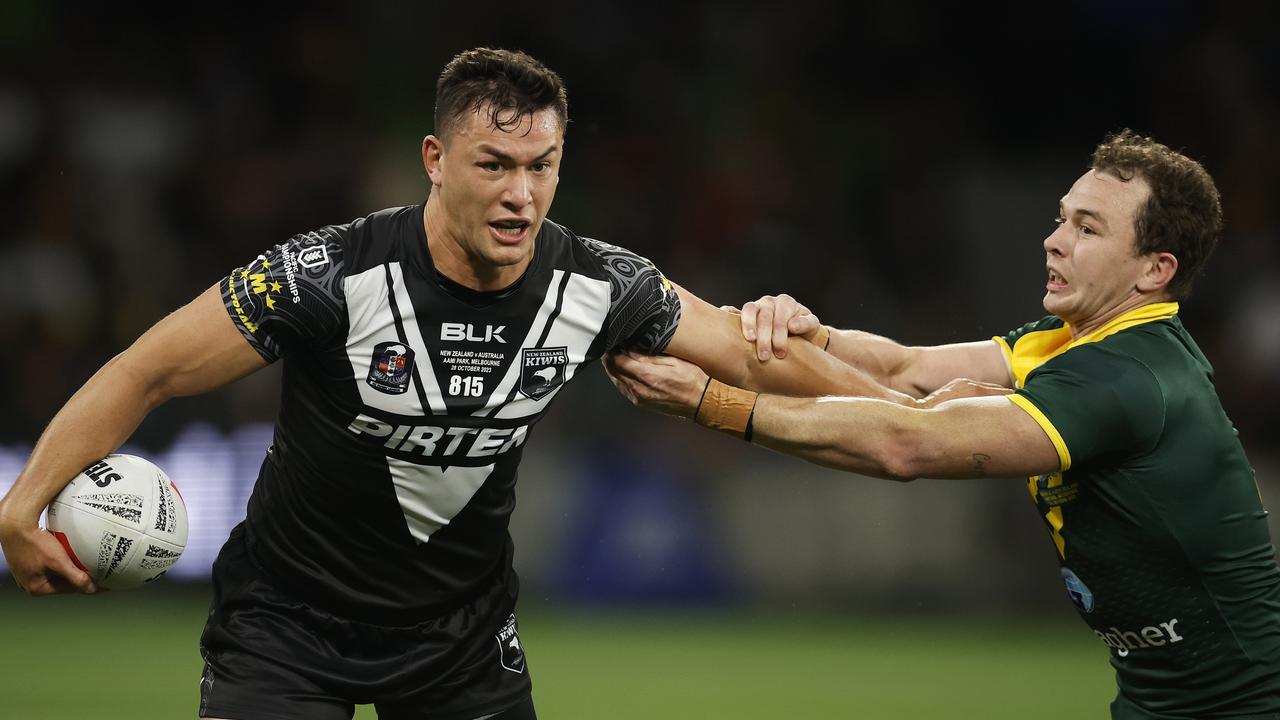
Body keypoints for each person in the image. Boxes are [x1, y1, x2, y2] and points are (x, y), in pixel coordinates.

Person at [0, 48, 901, 720]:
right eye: (494, 165)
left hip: (458, 644)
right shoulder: (324, 276)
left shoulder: (599, 283)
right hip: (282, 627)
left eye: (541, 166)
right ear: (435, 159)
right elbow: (144, 371)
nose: (522, 195)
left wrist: (913, 413)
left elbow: (758, 356)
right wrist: (21, 508)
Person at [604, 130, 1280, 719]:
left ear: (1155, 269)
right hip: (1158, 702)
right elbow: (905, 373)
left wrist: (710, 404)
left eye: (1088, 229)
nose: (1054, 240)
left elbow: (909, 443)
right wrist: (813, 334)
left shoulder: (1128, 377)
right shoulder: (1069, 342)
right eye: (1062, 218)